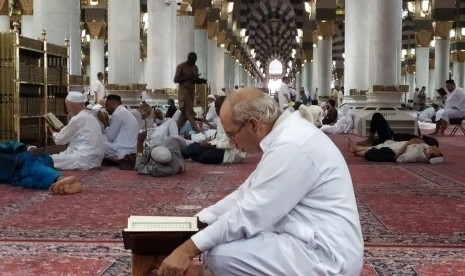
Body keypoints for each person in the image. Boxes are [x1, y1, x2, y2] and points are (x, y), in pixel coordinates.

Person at [158, 88, 363, 276]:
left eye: (231, 134)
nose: (231, 142)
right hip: (307, 236)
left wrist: (187, 249)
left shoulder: (292, 145)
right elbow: (244, 193)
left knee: (221, 255)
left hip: (326, 255)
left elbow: (250, 212)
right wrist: (197, 222)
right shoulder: (285, 137)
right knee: (221, 243)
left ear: (254, 125)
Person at [182, 96, 246, 164]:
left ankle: (194, 156)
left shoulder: (235, 122)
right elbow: (219, 139)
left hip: (232, 153)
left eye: (219, 107)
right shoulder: (220, 120)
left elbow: (232, 144)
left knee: (206, 156)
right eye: (216, 107)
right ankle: (178, 156)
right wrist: (209, 143)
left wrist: (211, 145)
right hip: (220, 148)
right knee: (194, 146)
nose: (217, 109)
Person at [49, 91, 104, 170]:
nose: (67, 110)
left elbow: (59, 140)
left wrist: (52, 131)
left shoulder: (78, 119)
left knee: (48, 160)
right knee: (58, 156)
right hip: (96, 160)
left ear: (73, 107)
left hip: (84, 159)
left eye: (67, 107)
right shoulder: (91, 116)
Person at [0, 141, 82, 194]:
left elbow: (12, 145)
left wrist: (28, 148)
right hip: (17, 178)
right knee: (29, 182)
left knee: (35, 169)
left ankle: (60, 178)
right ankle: (66, 186)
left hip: (27, 159)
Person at [357, 112, 439, 147]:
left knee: (377, 116)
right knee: (375, 141)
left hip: (390, 139)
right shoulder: (419, 139)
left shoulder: (419, 142)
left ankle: (369, 140)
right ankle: (370, 142)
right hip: (392, 136)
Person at [97, 94, 139, 160]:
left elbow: (111, 137)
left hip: (123, 152)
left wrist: (105, 122)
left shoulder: (117, 114)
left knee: (95, 142)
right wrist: (107, 122)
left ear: (113, 103)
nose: (106, 108)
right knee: (101, 137)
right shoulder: (123, 111)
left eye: (107, 105)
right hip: (129, 151)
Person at [349, 137, 443, 164]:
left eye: (434, 149)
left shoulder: (415, 154)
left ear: (430, 155)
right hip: (397, 145)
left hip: (391, 152)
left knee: (375, 151)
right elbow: (416, 140)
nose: (433, 146)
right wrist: (408, 143)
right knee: (379, 146)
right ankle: (356, 149)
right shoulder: (425, 147)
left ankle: (356, 149)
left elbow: (399, 158)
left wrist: (405, 146)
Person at [174, 52, 201, 133]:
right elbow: (176, 80)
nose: (193, 62)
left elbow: (194, 79)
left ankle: (174, 131)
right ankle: (198, 131)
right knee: (189, 113)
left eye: (194, 60)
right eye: (192, 60)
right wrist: (187, 77)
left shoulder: (195, 67)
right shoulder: (181, 66)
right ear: (188, 58)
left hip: (191, 93)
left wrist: (200, 80)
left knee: (184, 116)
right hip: (184, 93)